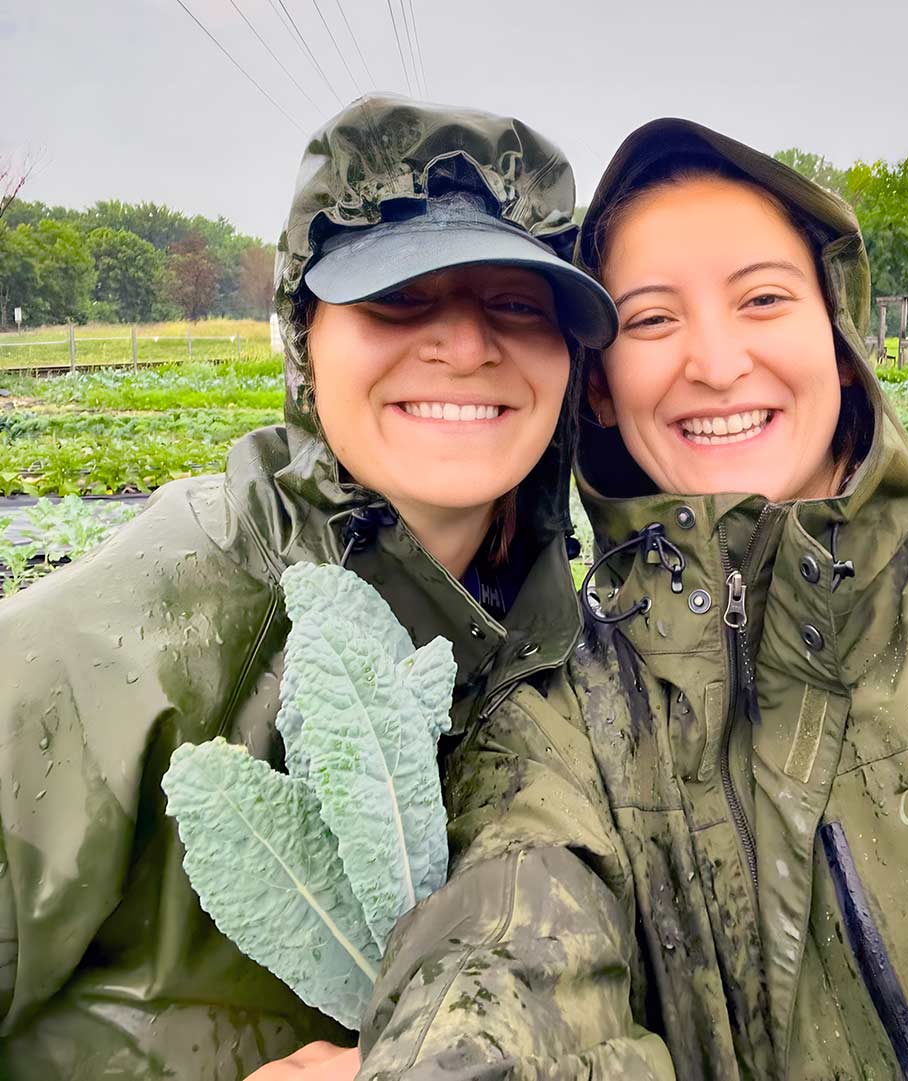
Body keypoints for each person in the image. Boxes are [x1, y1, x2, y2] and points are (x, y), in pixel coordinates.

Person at [351, 118, 908, 1080]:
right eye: (653, 319)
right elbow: (503, 952)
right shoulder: (556, 721)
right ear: (600, 389)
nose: (719, 361)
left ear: (839, 333)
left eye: (765, 299)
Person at [0, 93, 616, 1080]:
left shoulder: (575, 662)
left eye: (514, 301)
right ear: (303, 336)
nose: (465, 346)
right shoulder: (139, 627)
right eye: (400, 294)